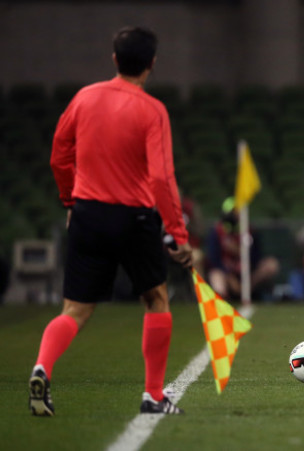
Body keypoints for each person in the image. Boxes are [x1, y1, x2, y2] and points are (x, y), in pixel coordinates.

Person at [28, 26, 193, 417]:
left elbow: (58, 155)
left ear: (115, 59)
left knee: (74, 309)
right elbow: (160, 178)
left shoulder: (85, 97)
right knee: (156, 300)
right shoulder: (152, 110)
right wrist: (178, 232)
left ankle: (42, 367)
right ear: (151, 64)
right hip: (133, 218)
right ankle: (154, 395)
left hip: (87, 214)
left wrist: (70, 201)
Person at [205, 197, 279, 301]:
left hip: (247, 274)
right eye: (234, 211)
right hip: (227, 273)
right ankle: (224, 299)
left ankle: (249, 293)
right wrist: (229, 277)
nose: (237, 214)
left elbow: (257, 256)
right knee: (216, 276)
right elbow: (214, 259)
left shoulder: (250, 230)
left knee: (271, 264)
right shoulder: (217, 232)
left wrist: (240, 252)